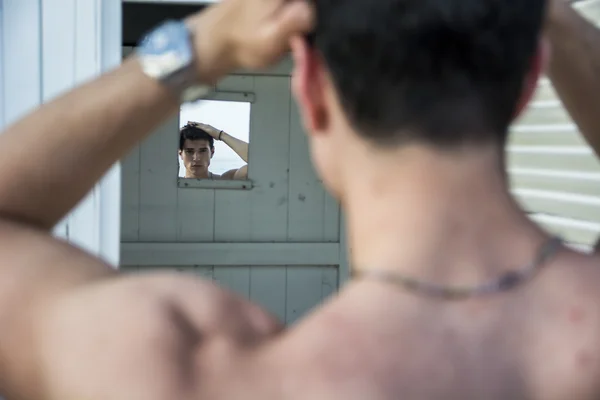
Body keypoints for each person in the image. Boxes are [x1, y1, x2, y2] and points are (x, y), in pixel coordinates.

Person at [0, 1, 599, 400]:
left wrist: (204, 44)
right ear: (528, 83)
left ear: (307, 87)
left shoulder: (195, 372)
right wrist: (545, 15)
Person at [179, 121, 248, 180]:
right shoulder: (172, 186)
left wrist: (220, 134)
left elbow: (257, 162)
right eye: (189, 151)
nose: (196, 158)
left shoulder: (224, 181)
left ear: (212, 152)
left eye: (202, 151)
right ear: (180, 153)